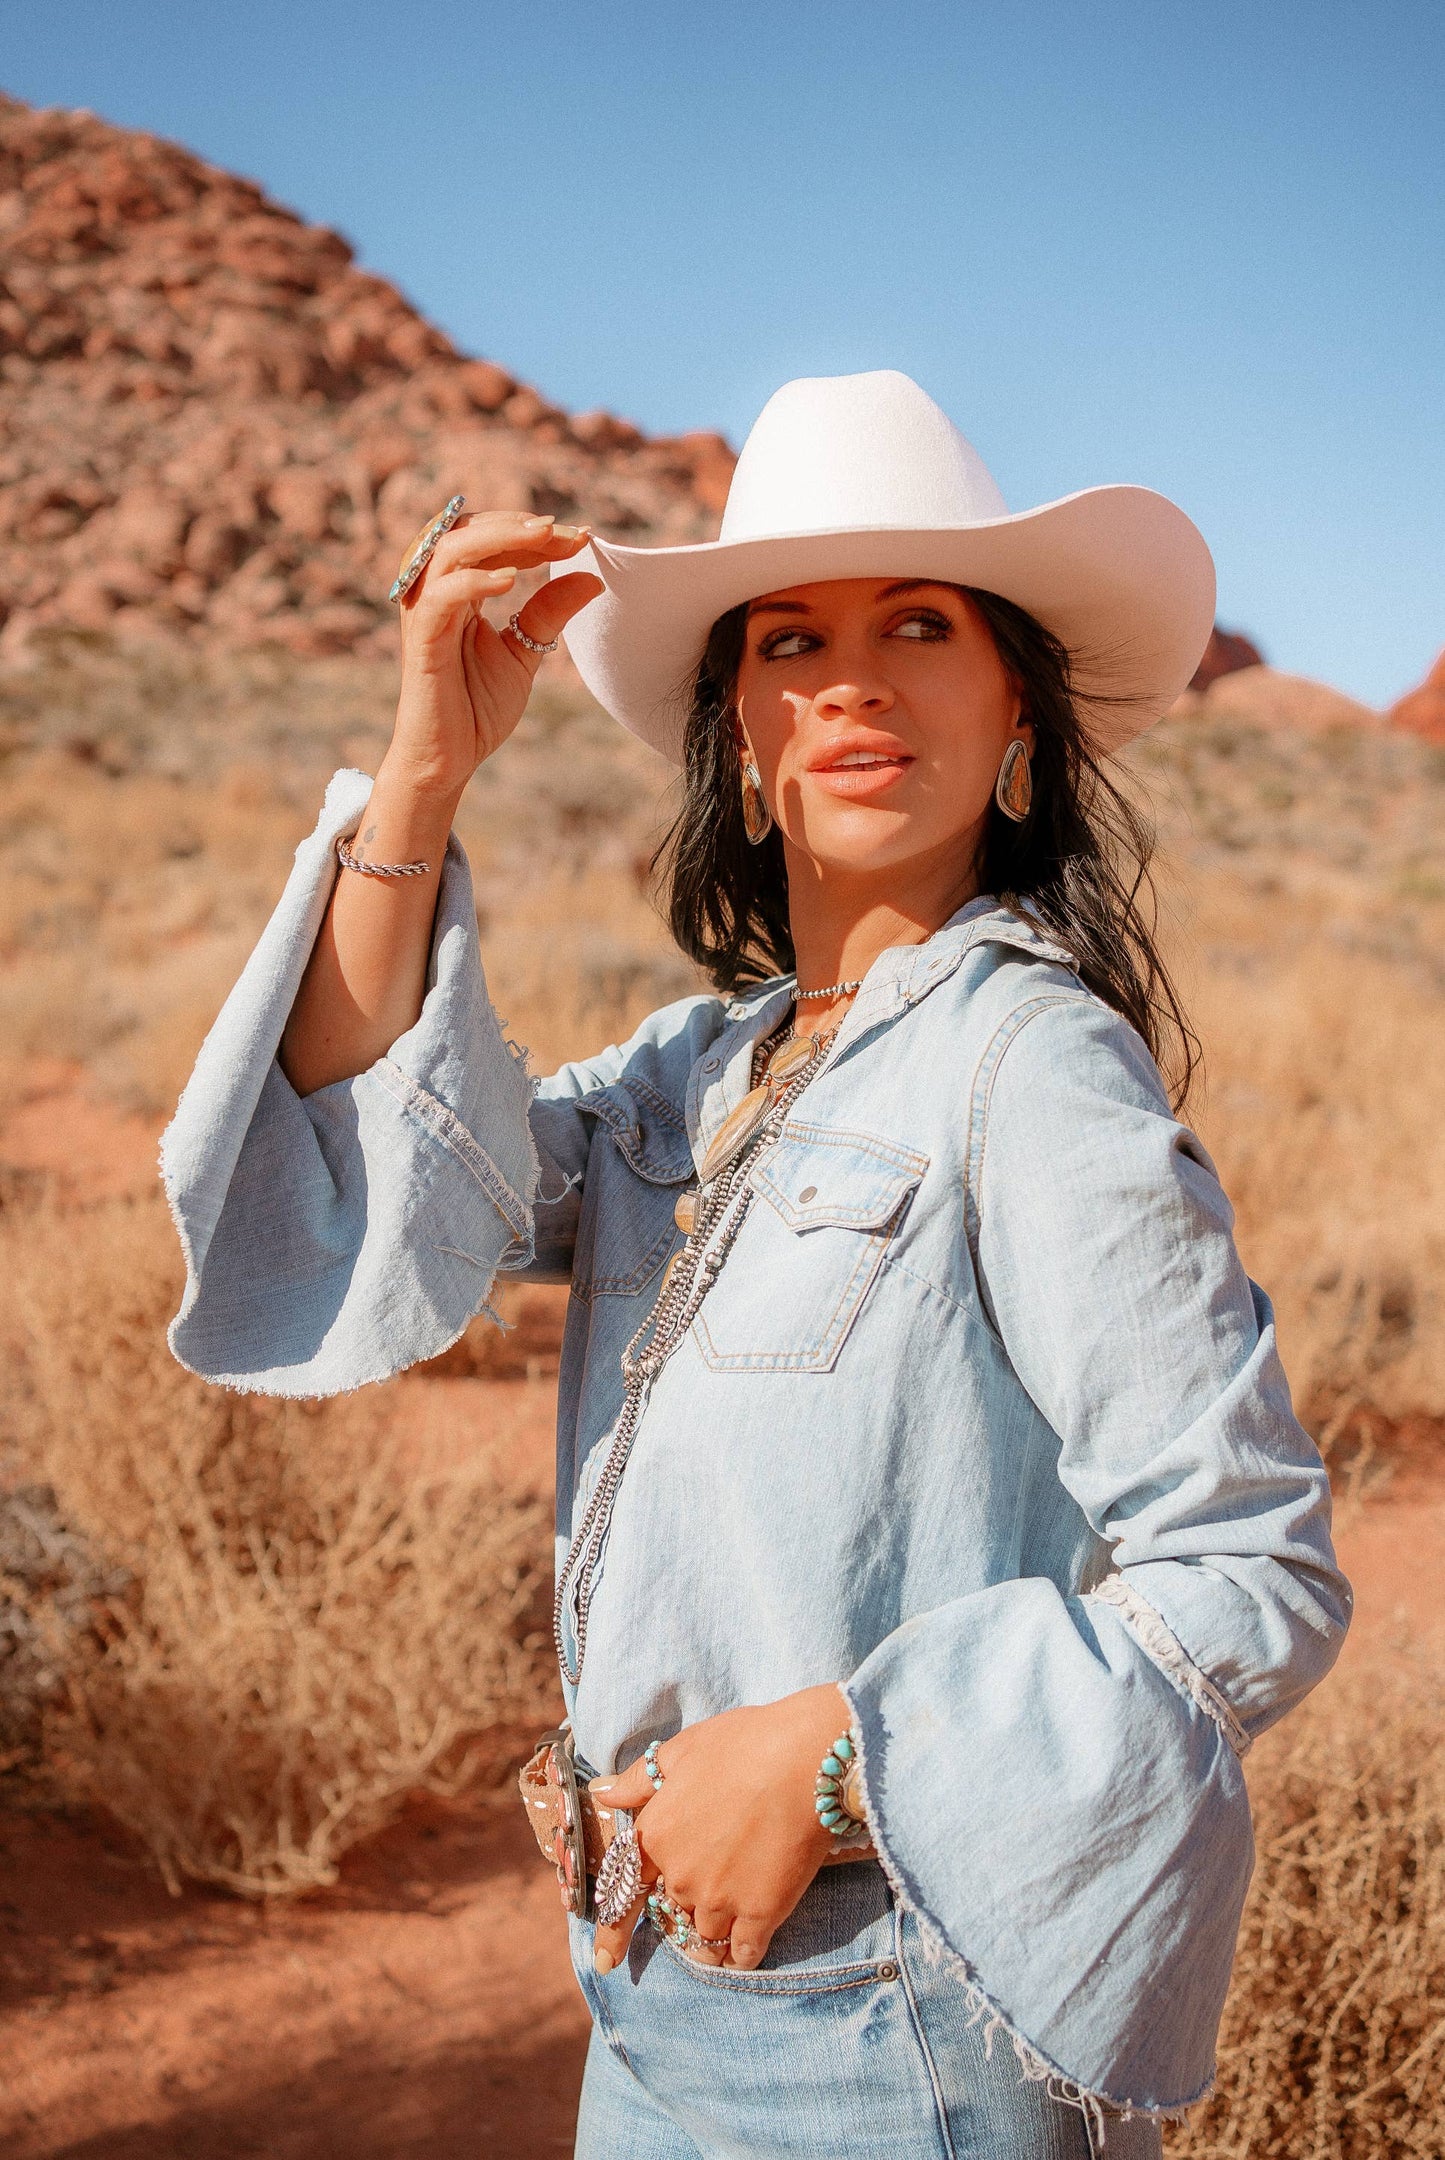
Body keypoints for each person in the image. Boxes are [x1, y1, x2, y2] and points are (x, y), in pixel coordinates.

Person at [162, 371, 1350, 2157]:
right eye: (790, 640)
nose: (852, 679)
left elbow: (1248, 1570)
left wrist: (831, 1759)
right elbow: (387, 1162)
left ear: (1013, 702)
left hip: (894, 2030)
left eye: (919, 625)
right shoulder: (692, 1072)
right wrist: (423, 763)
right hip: (648, 1996)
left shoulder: (1026, 1066)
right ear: (738, 728)